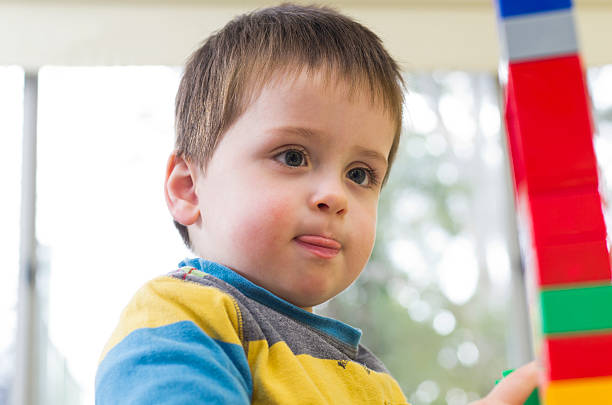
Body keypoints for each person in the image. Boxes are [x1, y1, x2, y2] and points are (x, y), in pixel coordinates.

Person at [95, 4, 538, 404]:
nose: (336, 196)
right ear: (189, 189)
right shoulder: (180, 318)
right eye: (293, 157)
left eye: (360, 174)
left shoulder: (371, 376)